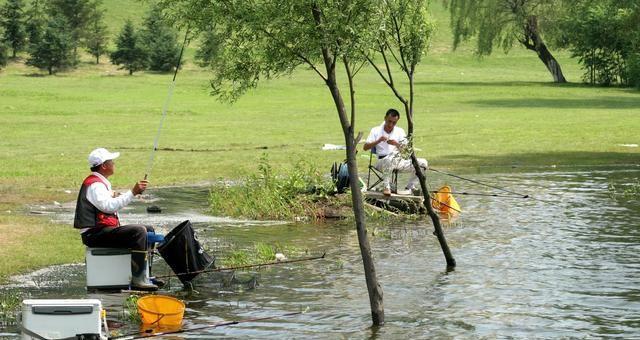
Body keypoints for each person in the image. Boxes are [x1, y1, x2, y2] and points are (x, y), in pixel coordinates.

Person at [73, 148, 158, 290]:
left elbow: (108, 200)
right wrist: (132, 193)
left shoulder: (99, 182)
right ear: (103, 166)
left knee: (149, 230)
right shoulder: (95, 185)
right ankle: (138, 280)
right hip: (94, 234)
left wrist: (123, 194)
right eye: (111, 161)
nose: (114, 163)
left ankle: (145, 275)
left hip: (100, 231)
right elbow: (109, 207)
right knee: (139, 231)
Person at [363, 109, 428, 196]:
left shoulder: (400, 131)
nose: (391, 125)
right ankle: (386, 187)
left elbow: (407, 152)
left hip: (398, 161)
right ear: (385, 118)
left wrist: (396, 144)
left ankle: (410, 187)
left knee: (423, 163)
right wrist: (378, 141)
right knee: (390, 158)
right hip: (381, 162)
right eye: (389, 121)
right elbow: (365, 147)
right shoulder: (375, 130)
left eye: (394, 123)